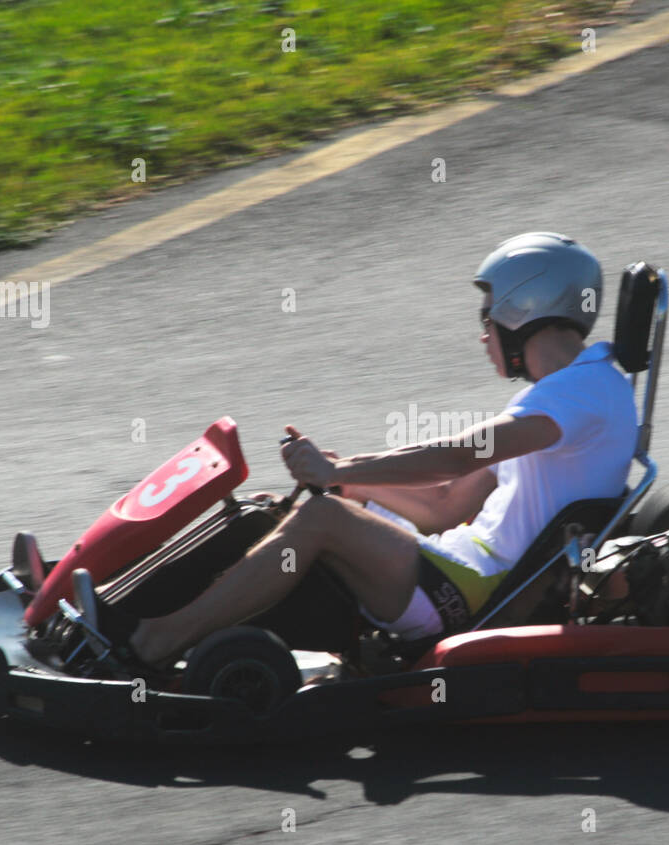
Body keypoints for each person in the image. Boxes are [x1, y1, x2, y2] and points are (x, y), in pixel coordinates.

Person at [117, 232, 639, 668]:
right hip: (463, 566)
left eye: (486, 319)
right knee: (284, 505)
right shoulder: (569, 394)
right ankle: (118, 602)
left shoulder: (583, 392)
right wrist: (348, 479)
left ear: (523, 307)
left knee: (322, 517)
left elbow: (461, 453)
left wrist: (339, 469)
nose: (483, 337)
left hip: (476, 591)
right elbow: (446, 504)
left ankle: (154, 641)